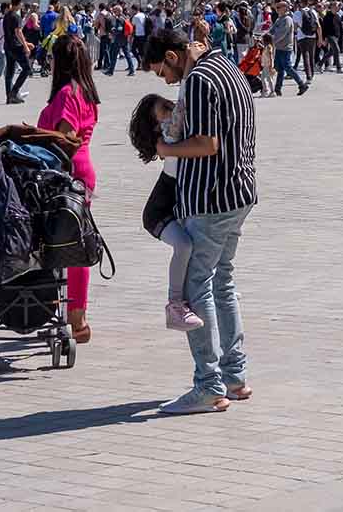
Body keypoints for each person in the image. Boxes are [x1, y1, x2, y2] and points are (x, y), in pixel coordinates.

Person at [145, 26, 257, 415]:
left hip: (210, 199)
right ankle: (235, 376)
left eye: (163, 71)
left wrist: (164, 147)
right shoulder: (226, 65)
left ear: (173, 58)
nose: (166, 80)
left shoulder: (199, 81)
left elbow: (207, 144)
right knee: (223, 281)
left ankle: (208, 385)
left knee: (197, 289)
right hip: (239, 192)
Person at [39, 36, 101, 343]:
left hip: (65, 172)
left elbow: (65, 136)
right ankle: (77, 313)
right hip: (83, 170)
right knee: (77, 241)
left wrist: (34, 137)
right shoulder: (86, 92)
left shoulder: (66, 94)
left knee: (62, 243)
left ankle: (71, 312)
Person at [127, 92, 206, 334]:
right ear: (155, 124)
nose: (171, 109)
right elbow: (182, 112)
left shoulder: (175, 138)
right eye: (165, 109)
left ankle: (208, 290)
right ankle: (174, 306)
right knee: (184, 246)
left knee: (198, 246)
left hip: (175, 208)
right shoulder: (168, 142)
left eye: (169, 105)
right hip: (157, 213)